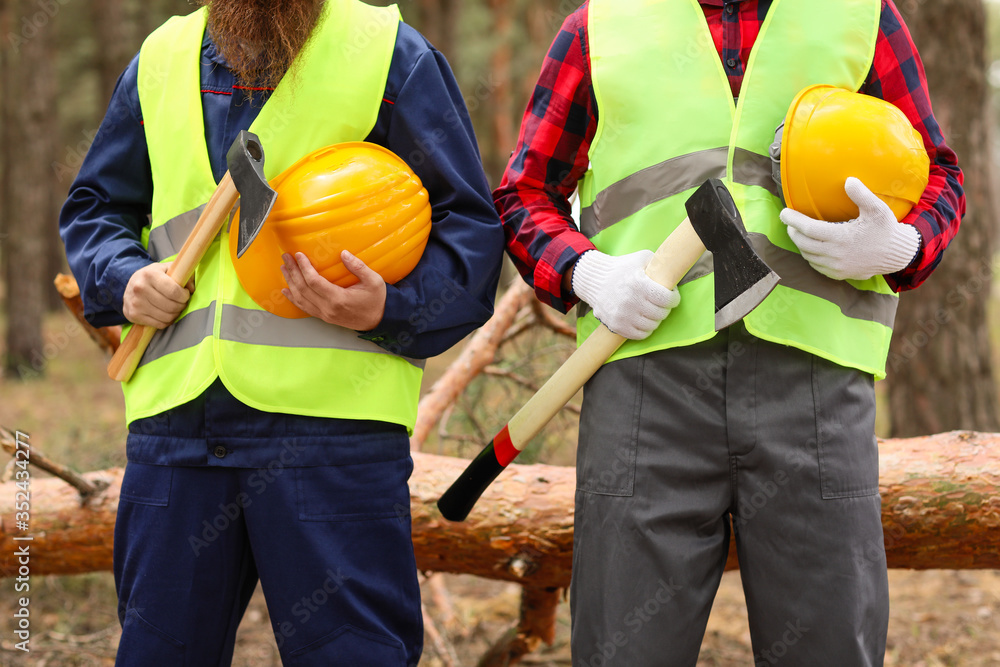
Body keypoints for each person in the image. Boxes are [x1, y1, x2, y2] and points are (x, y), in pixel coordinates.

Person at [494, 1, 964, 665]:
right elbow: (524, 194)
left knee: (828, 647)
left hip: (815, 388)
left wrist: (902, 242)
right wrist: (586, 272)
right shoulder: (599, 26)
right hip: (643, 388)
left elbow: (938, 173)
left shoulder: (862, 17)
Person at [59, 0, 504, 664]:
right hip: (177, 437)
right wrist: (123, 278)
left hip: (332, 440)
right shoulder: (160, 59)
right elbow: (96, 208)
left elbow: (469, 236)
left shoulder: (388, 54)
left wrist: (389, 306)